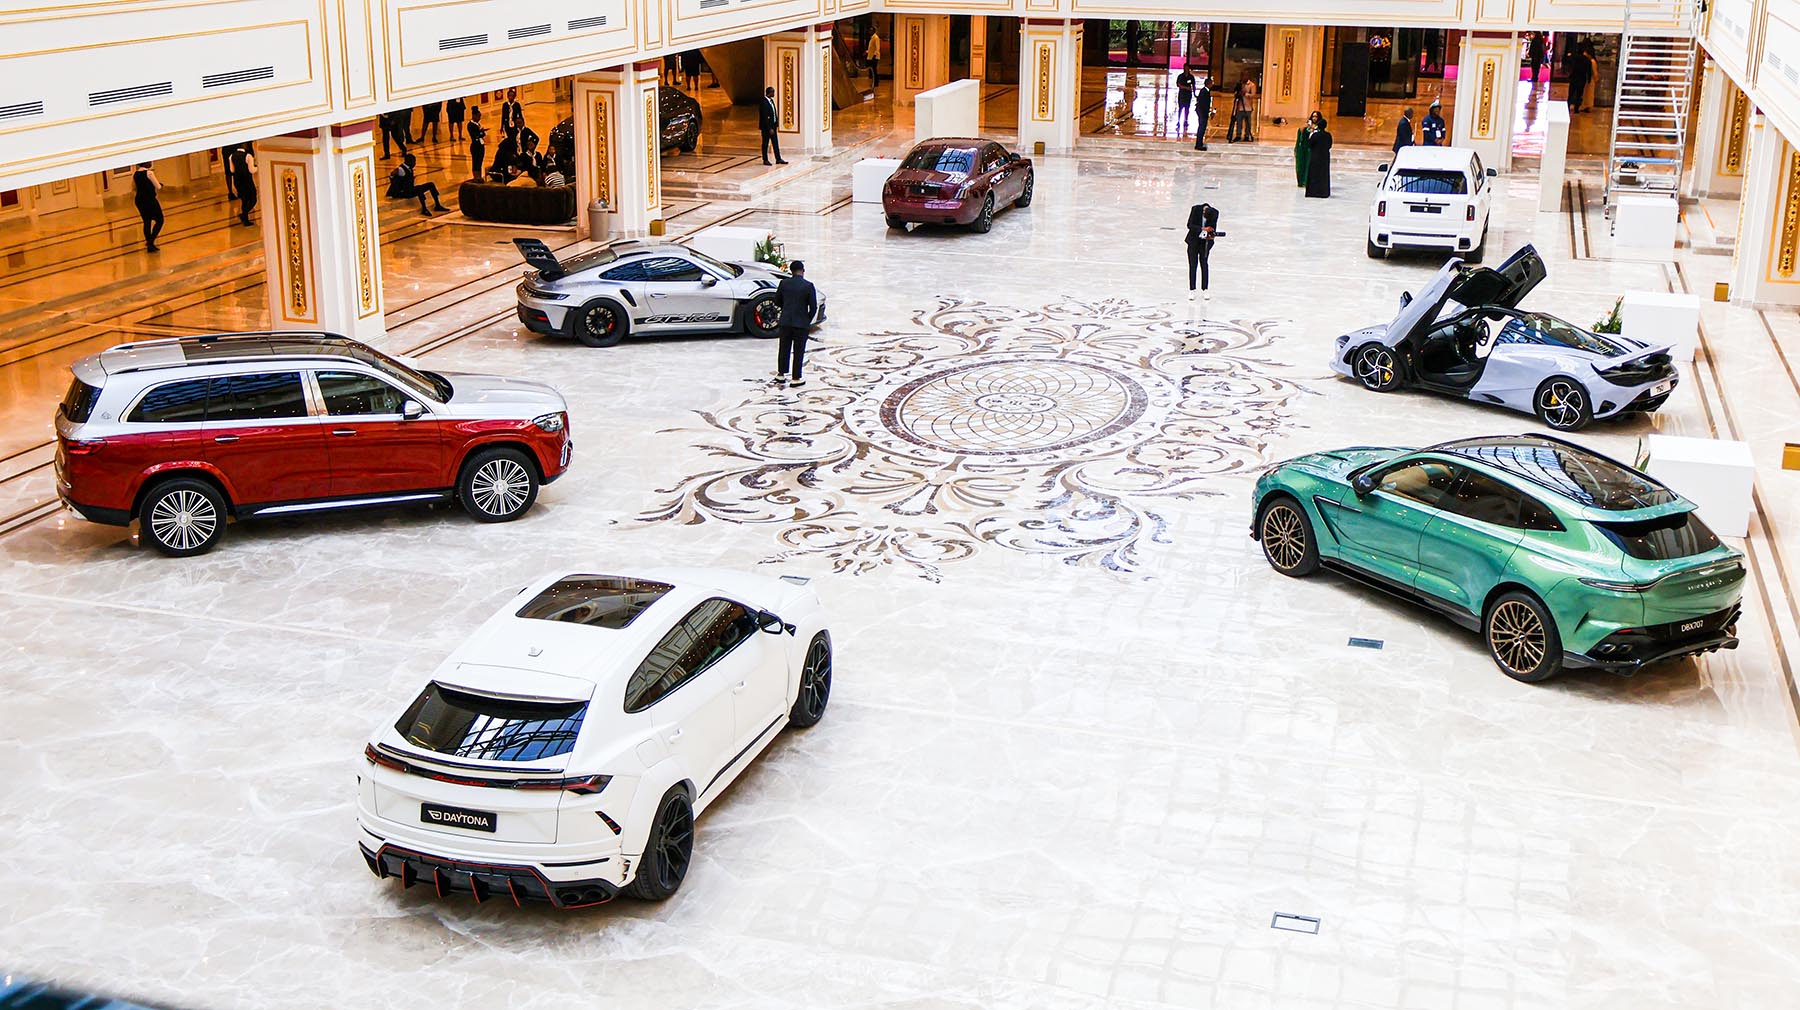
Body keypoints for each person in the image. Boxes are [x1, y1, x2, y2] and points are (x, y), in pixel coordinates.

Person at [773, 260, 818, 388]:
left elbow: (777, 301)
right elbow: (813, 307)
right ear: (803, 271)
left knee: (784, 348)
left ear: (791, 271)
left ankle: (781, 374)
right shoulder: (808, 285)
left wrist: (786, 308)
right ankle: (796, 377)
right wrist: (806, 319)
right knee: (798, 351)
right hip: (801, 323)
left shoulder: (784, 283)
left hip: (785, 321)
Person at [1184, 201, 1218, 300]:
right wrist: (1202, 228)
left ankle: (1205, 289)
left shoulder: (1215, 213)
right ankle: (1192, 289)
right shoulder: (1195, 209)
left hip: (1205, 243)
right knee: (1193, 265)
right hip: (1193, 241)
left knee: (1204, 264)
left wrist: (1210, 232)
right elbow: (1189, 225)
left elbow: (1213, 227)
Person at [133, 162, 164, 252]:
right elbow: (158, 187)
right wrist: (160, 184)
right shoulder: (149, 173)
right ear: (145, 163)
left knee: (147, 221)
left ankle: (149, 242)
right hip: (149, 199)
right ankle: (151, 242)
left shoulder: (135, 174)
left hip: (139, 200)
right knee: (160, 220)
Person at [228, 144, 257, 225]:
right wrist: (258, 167)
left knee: (244, 200)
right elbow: (251, 170)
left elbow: (232, 170)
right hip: (247, 180)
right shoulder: (248, 156)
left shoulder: (231, 156)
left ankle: (245, 216)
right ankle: (244, 215)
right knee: (253, 199)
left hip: (238, 181)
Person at [1305, 116, 1333, 198]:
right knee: (1323, 174)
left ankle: (1312, 192)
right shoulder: (1328, 135)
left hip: (1315, 156)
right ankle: (1323, 192)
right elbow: (1329, 145)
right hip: (1324, 157)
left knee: (1314, 173)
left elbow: (1310, 145)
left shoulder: (1315, 135)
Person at [759, 86, 787, 165]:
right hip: (767, 128)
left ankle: (778, 158)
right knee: (765, 143)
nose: (774, 93)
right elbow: (764, 117)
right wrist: (769, 128)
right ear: (769, 93)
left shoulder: (771, 101)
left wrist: (776, 124)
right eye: (773, 92)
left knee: (775, 143)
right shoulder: (764, 102)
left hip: (773, 126)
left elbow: (773, 113)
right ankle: (765, 159)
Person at [1567, 41, 1592, 113]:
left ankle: (1568, 106)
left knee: (1571, 93)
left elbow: (1570, 64)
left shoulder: (1575, 57)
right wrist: (1589, 79)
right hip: (1582, 78)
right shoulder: (1587, 60)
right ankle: (1576, 108)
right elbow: (1589, 70)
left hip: (1574, 77)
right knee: (1579, 94)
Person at [1294, 113, 1316, 187]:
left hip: (1313, 150)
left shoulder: (1318, 127)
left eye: (1316, 116)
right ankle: (1301, 180)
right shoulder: (1306, 126)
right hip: (1304, 149)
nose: (1314, 118)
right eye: (1313, 116)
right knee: (1302, 164)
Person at [467, 106, 487, 180]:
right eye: (478, 116)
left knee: (480, 162)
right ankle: (476, 177)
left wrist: (481, 132)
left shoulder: (477, 124)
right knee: (475, 162)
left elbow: (482, 134)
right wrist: (481, 132)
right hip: (475, 146)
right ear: (474, 116)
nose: (479, 118)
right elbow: (476, 135)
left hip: (480, 145)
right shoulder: (470, 125)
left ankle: (480, 176)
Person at [1192, 76, 1212, 151]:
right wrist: (1206, 112)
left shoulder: (1205, 91)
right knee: (1201, 127)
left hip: (1203, 112)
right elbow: (1203, 103)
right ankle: (1198, 144)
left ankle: (1199, 143)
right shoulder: (1204, 92)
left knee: (1202, 128)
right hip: (1202, 112)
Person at [1175, 66, 1195, 134]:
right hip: (1182, 94)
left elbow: (1193, 85)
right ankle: (1178, 120)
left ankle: (1186, 120)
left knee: (1187, 108)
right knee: (1180, 108)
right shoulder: (1180, 76)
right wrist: (1185, 88)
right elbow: (1178, 84)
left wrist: (1195, 94)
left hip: (1188, 95)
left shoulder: (1191, 77)